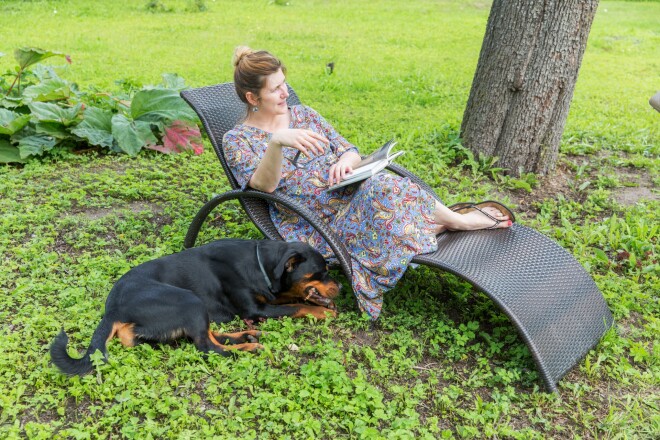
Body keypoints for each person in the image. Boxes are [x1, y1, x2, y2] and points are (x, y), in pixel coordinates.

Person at [223, 46, 513, 319]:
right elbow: (265, 186)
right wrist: (276, 144)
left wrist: (344, 163)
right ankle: (450, 222)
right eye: (275, 89)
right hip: (318, 221)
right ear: (253, 98)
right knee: (382, 189)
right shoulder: (238, 140)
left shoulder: (305, 115)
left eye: (284, 83)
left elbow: (349, 150)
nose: (286, 92)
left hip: (350, 193)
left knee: (381, 183)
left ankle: (439, 223)